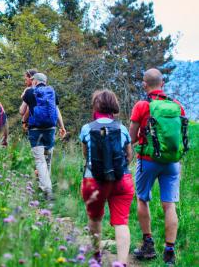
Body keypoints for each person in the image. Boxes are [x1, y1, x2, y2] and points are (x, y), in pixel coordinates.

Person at [129, 68, 188, 265]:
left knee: (142, 199)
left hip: (148, 160)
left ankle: (148, 246)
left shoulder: (141, 105)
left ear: (145, 85)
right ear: (162, 84)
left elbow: (132, 137)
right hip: (172, 162)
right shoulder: (177, 106)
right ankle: (169, 252)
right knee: (169, 205)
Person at [80, 90, 134, 266]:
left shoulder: (87, 128)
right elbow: (129, 155)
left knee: (95, 219)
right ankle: (122, 263)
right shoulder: (122, 128)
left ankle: (96, 256)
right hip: (121, 179)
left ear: (95, 105)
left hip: (93, 181)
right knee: (121, 222)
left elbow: (84, 155)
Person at [19, 73, 66, 200]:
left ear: (35, 81)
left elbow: (22, 111)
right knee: (48, 159)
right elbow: (56, 110)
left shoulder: (30, 92)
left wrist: (25, 98)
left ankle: (48, 191)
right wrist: (62, 127)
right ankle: (43, 187)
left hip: (35, 130)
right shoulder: (52, 92)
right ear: (45, 81)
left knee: (40, 160)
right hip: (50, 129)